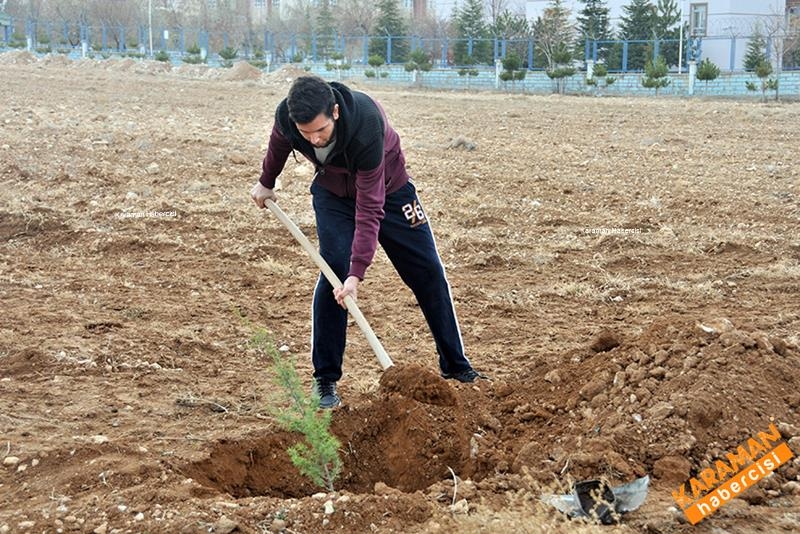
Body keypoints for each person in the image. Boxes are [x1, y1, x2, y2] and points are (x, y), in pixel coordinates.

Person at [250, 75, 486, 409]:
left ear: (335, 111)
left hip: (389, 192)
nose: (315, 140)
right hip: (333, 194)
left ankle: (457, 366)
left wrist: (357, 274)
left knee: (428, 272)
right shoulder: (289, 120)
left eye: (321, 130)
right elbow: (279, 143)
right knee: (333, 269)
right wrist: (266, 182)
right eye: (306, 134)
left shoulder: (365, 124)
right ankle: (325, 381)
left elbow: (370, 207)